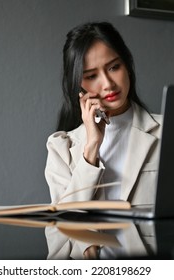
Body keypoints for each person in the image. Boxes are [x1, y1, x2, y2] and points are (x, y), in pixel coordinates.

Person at [44, 22, 162, 259]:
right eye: (91, 76)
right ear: (79, 84)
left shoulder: (167, 133)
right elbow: (58, 246)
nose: (107, 84)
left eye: (114, 67)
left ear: (127, 65)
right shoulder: (61, 147)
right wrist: (91, 148)